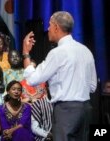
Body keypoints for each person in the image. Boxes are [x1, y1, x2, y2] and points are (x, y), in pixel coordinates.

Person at [22, 11, 97, 141]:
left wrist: (26, 53)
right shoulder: (86, 51)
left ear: (56, 27)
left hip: (66, 111)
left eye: (49, 25)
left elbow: (32, 80)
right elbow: (92, 86)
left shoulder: (57, 53)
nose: (48, 29)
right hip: (86, 109)